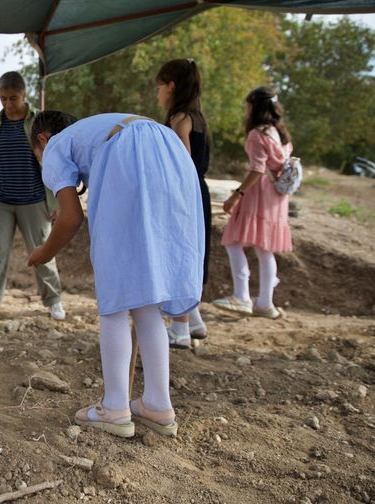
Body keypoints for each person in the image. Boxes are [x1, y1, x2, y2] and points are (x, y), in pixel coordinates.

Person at [27, 111, 204, 438]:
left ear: (41, 140)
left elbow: (70, 218)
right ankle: (157, 404)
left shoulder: (54, 146)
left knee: (116, 298)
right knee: (146, 297)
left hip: (130, 155)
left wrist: (45, 251)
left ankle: (114, 407)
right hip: (170, 153)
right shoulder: (92, 131)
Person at [0, 71, 65, 326]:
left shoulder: (38, 122)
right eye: (3, 98)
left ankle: (54, 301)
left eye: (13, 98)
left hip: (33, 199)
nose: (8, 104)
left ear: (24, 95)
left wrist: (55, 201)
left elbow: (51, 162)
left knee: (43, 251)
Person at [212, 87, 293, 319]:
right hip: (277, 196)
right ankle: (266, 302)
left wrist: (236, 194)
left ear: (254, 107)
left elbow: (257, 169)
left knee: (232, 240)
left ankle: (242, 296)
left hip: (259, 193)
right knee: (264, 248)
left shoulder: (257, 135)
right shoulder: (280, 133)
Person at [156, 58, 212, 349]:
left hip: (184, 196)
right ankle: (195, 319)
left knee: (180, 252)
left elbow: (181, 165)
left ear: (172, 86)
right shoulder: (198, 117)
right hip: (198, 193)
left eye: (160, 86)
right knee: (193, 251)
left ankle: (179, 328)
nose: (158, 93)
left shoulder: (180, 120)